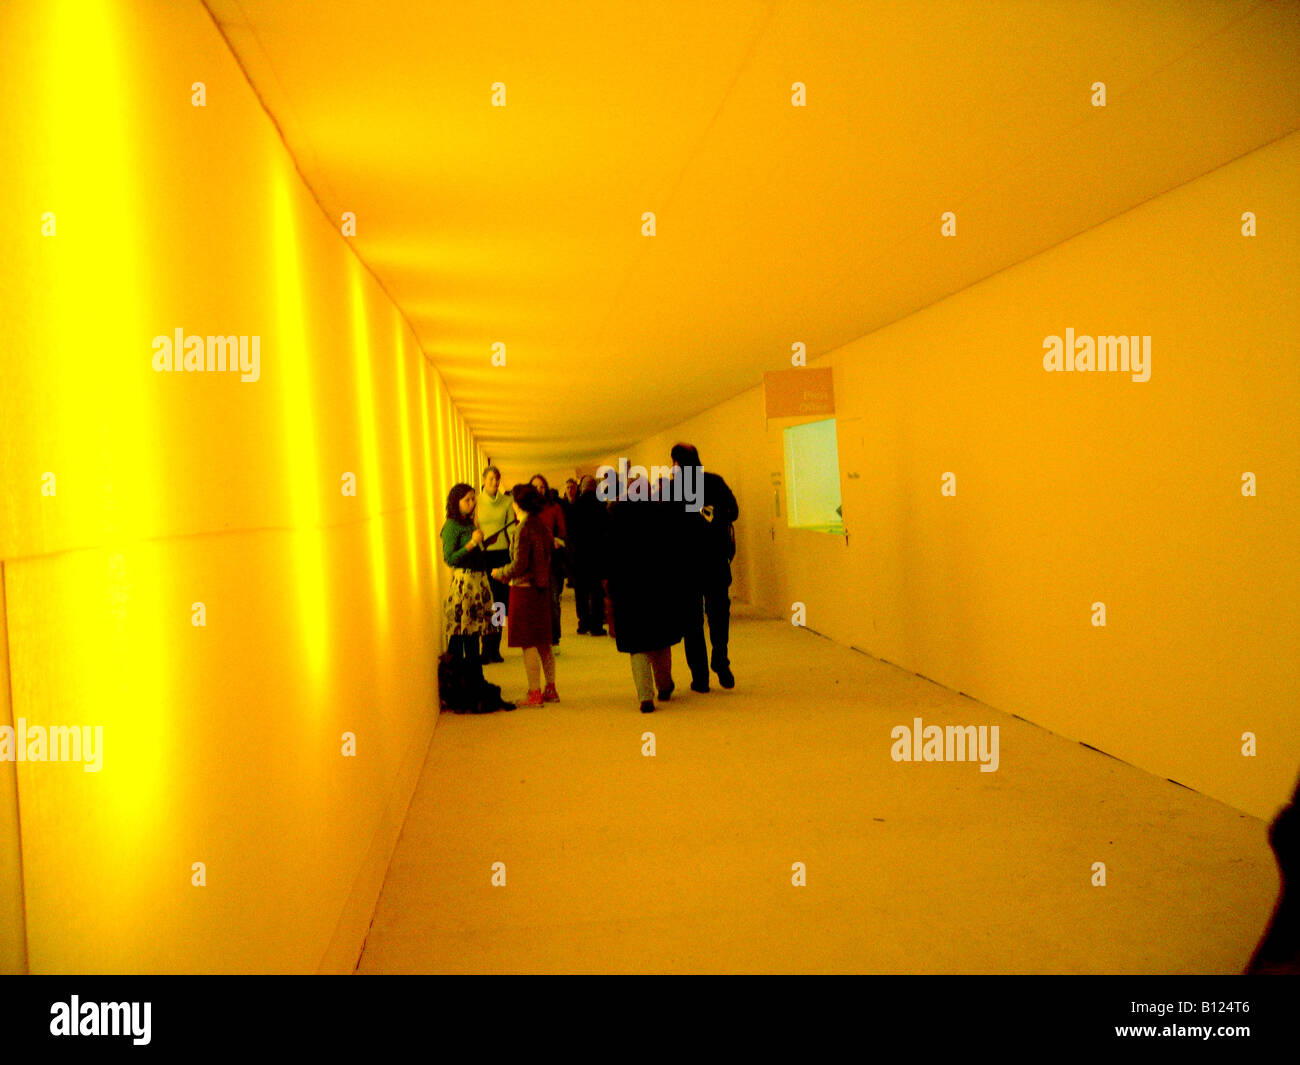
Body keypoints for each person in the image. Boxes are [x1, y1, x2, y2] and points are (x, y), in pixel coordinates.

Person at [603, 469, 685, 713]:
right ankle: (664, 684)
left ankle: (644, 696)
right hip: (659, 586)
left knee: (637, 644)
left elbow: (609, 554)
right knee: (660, 640)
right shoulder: (661, 513)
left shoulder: (615, 515)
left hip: (628, 588)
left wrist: (609, 582)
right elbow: (673, 552)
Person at [672, 443, 739, 692]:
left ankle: (700, 677)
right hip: (716, 560)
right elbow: (733, 511)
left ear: (677, 463)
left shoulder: (673, 489)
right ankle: (720, 659)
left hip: (686, 565)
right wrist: (712, 515)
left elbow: (668, 527)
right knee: (719, 614)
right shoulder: (715, 482)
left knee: (692, 622)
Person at [491, 483, 558, 706]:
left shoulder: (522, 529)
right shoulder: (541, 525)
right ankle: (550, 688)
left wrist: (499, 573)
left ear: (518, 503)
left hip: (523, 591)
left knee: (528, 643)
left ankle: (534, 692)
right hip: (541, 589)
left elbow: (519, 564)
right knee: (544, 642)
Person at [439, 484, 496, 683]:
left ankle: (475, 679)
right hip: (465, 584)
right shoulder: (451, 526)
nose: (471, 504)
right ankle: (467, 681)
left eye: (473, 499)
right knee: (465, 634)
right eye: (467, 500)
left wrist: (482, 543)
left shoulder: (468, 522)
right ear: (456, 502)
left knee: (475, 634)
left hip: (478, 581)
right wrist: (471, 544)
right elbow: (450, 558)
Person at [475, 465, 515, 663]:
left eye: (497, 479)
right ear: (483, 480)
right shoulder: (476, 502)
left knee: (499, 603)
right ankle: (485, 646)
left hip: (501, 555)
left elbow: (511, 530)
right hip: (484, 555)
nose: (494, 482)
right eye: (491, 479)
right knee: (486, 602)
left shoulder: (507, 502)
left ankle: (495, 647)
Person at [567, 475, 608, 635]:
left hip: (580, 554)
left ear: (582, 488)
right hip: (597, 553)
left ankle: (583, 622)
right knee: (597, 590)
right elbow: (606, 530)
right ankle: (597, 624)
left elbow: (570, 531)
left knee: (581, 591)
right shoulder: (601, 506)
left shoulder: (575, 507)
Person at [531, 474, 568, 653]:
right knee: (534, 602)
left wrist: (555, 540)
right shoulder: (526, 510)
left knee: (552, 601)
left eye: (542, 487)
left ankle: (554, 639)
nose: (539, 490)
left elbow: (562, 533)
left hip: (551, 560)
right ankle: (538, 638)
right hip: (531, 561)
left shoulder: (554, 508)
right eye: (535, 487)